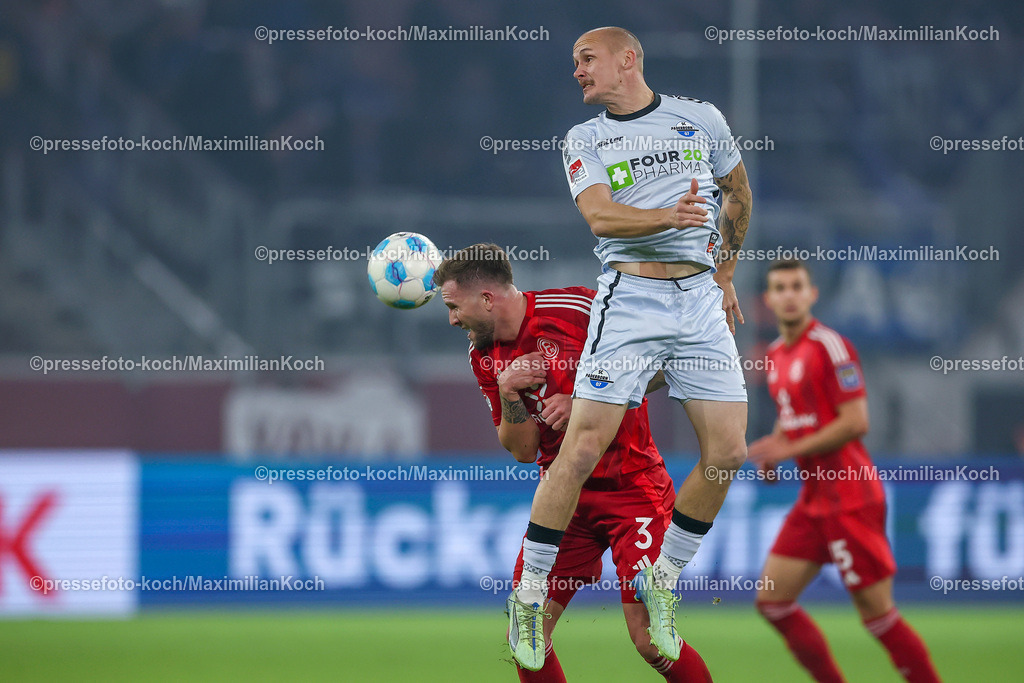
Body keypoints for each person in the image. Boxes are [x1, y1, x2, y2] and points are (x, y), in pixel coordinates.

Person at [508, 26, 754, 668]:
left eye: (586, 59)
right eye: (574, 62)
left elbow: (740, 194)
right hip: (632, 300)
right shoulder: (586, 138)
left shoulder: (700, 119)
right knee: (582, 447)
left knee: (728, 451)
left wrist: (725, 272)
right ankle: (530, 598)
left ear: (629, 59)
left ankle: (663, 579)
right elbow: (599, 216)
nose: (578, 71)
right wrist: (665, 219)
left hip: (699, 299)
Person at [435, 243, 712, 681]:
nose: (452, 319)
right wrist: (509, 393)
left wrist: (589, 401)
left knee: (649, 640)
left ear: (486, 299)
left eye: (453, 306)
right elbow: (523, 450)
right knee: (525, 640)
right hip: (563, 503)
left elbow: (665, 363)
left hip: (631, 490)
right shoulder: (483, 355)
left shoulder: (579, 309)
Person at [749, 259, 940, 683]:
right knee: (772, 601)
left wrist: (790, 448)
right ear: (769, 300)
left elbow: (856, 421)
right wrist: (775, 449)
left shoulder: (831, 346)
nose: (789, 294)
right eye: (780, 287)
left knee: (878, 616)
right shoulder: (776, 356)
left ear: (812, 294)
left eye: (797, 286)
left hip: (851, 497)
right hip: (814, 500)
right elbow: (791, 418)